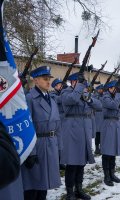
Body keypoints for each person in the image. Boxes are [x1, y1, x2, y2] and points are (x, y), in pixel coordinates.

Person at [21, 66, 61, 200]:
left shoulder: (51, 98)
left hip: (50, 145)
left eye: (49, 79)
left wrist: (59, 148)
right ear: (36, 81)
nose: (48, 81)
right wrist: (30, 153)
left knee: (44, 186)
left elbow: (57, 125)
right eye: (45, 79)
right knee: (33, 187)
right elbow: (27, 127)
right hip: (37, 146)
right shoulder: (30, 98)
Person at [61, 72, 102, 199]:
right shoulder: (65, 93)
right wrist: (79, 87)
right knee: (72, 163)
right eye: (80, 83)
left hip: (84, 130)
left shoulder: (83, 93)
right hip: (72, 130)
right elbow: (72, 99)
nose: (83, 86)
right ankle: (70, 192)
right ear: (73, 82)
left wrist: (89, 99)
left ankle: (79, 189)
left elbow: (99, 106)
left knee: (81, 162)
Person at [101, 80, 120, 186]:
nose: (115, 90)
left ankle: (112, 174)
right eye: (113, 88)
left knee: (113, 151)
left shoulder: (116, 97)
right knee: (107, 151)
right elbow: (112, 105)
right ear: (109, 88)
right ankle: (106, 176)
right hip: (108, 124)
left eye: (115, 89)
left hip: (116, 124)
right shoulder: (105, 97)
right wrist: (119, 98)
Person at [93, 84, 104, 155]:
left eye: (102, 89)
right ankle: (97, 147)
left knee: (102, 133)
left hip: (102, 115)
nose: (101, 90)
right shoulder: (94, 96)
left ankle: (102, 147)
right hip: (97, 115)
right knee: (97, 133)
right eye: (100, 89)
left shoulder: (104, 96)